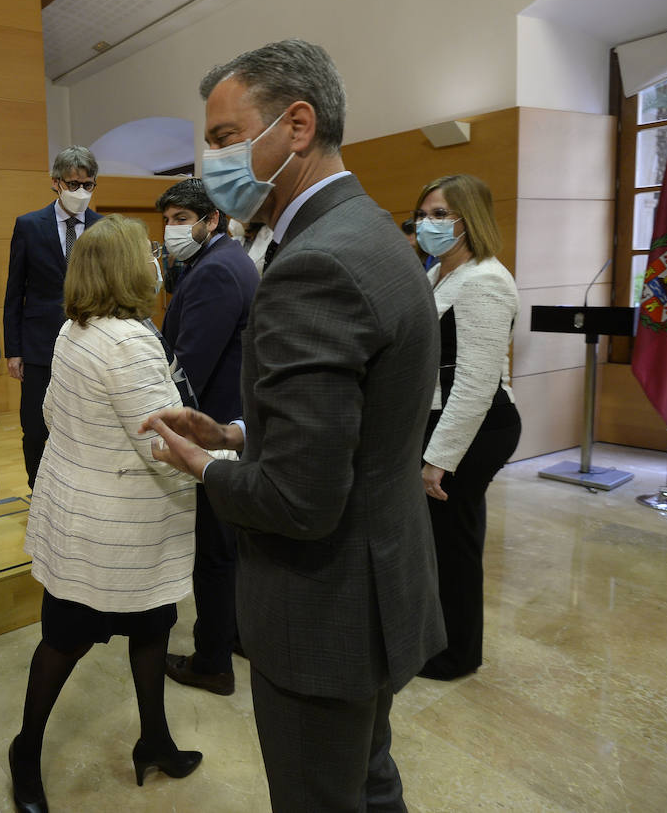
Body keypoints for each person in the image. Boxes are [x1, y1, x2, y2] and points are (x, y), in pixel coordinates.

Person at [142, 40, 445, 812]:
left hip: (326, 613)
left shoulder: (315, 264)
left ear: (297, 125)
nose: (211, 161)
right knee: (370, 781)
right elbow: (361, 416)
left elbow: (300, 500)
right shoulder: (372, 230)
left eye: (221, 137)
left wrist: (203, 469)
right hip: (380, 586)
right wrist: (238, 434)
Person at [9, 214, 200, 813]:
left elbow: (50, 412)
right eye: (145, 252)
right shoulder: (130, 340)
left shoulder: (75, 329)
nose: (155, 258)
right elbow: (167, 446)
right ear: (125, 268)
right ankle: (25, 750)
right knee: (65, 641)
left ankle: (155, 740)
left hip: (91, 514)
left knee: (150, 627)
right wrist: (228, 458)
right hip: (114, 528)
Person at [413, 174, 522, 681]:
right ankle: (437, 638)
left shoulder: (486, 280)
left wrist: (440, 458)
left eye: (441, 214)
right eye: (425, 213)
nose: (428, 223)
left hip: (475, 427)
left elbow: (477, 380)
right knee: (437, 541)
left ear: (468, 219)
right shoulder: (441, 274)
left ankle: (458, 655)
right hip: (445, 420)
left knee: (454, 542)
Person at [154, 178, 258, 696]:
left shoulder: (217, 270)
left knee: (215, 552)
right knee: (229, 546)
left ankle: (213, 659)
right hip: (231, 421)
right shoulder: (223, 259)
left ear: (211, 218)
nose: (172, 230)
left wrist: (164, 417)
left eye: (180, 219)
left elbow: (189, 367)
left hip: (218, 425)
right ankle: (235, 634)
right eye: (168, 220)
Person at [4, 146, 104, 489]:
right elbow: (14, 293)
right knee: (34, 426)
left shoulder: (102, 228)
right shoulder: (29, 225)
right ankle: (37, 488)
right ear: (55, 183)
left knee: (84, 422)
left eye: (88, 185)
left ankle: (78, 489)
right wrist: (13, 350)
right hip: (39, 346)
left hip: (89, 344)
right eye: (73, 184)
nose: (81, 192)